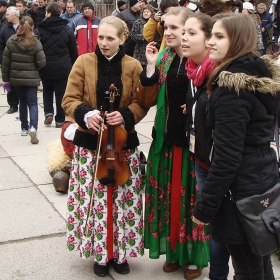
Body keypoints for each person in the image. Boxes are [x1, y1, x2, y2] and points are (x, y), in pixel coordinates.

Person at [192, 13, 280, 280]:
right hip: (260, 178)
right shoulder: (256, 74)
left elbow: (227, 157)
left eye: (219, 37)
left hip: (240, 192)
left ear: (238, 41)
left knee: (248, 269)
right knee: (259, 263)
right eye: (212, 36)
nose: (210, 43)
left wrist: (205, 208)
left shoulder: (232, 88)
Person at [62, 16, 148, 277]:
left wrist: (126, 114)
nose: (104, 43)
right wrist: (86, 114)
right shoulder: (83, 62)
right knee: (95, 200)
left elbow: (142, 102)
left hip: (123, 147)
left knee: (123, 200)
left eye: (110, 38)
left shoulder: (133, 65)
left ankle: (120, 253)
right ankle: (99, 254)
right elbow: (70, 99)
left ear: (123, 39)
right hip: (91, 146)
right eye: (101, 37)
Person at [137, 7, 210, 280]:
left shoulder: (202, 61)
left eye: (175, 28)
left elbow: (208, 97)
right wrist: (151, 64)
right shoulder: (166, 56)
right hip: (166, 140)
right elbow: (148, 85)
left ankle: (194, 257)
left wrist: (191, 106)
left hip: (192, 145)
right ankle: (174, 252)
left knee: (191, 198)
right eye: (166, 27)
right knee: (167, 197)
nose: (168, 32)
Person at [182, 13, 232, 280]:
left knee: (223, 227)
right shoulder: (193, 69)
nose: (183, 38)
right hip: (201, 157)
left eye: (191, 33)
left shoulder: (219, 74)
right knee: (216, 226)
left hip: (219, 164)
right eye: (183, 32)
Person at [1, 16, 45, 143]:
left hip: (16, 79)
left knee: (22, 103)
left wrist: (6, 79)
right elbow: (41, 62)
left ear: (19, 26)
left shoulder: (11, 41)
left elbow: (5, 63)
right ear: (32, 27)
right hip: (31, 80)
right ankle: (33, 127)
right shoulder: (35, 42)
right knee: (32, 103)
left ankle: (24, 127)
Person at [38, 2, 77, 128]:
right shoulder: (67, 29)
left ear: (48, 13)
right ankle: (60, 119)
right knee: (61, 93)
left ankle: (48, 112)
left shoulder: (41, 29)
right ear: (60, 13)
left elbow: (37, 49)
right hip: (63, 66)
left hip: (46, 65)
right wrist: (73, 65)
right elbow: (73, 49)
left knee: (47, 90)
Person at [0, 6, 20, 114]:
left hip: (21, 61)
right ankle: (12, 104)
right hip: (8, 61)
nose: (6, 16)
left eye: (8, 15)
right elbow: (1, 45)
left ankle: (23, 102)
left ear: (15, 15)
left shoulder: (23, 26)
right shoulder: (5, 28)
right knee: (8, 83)